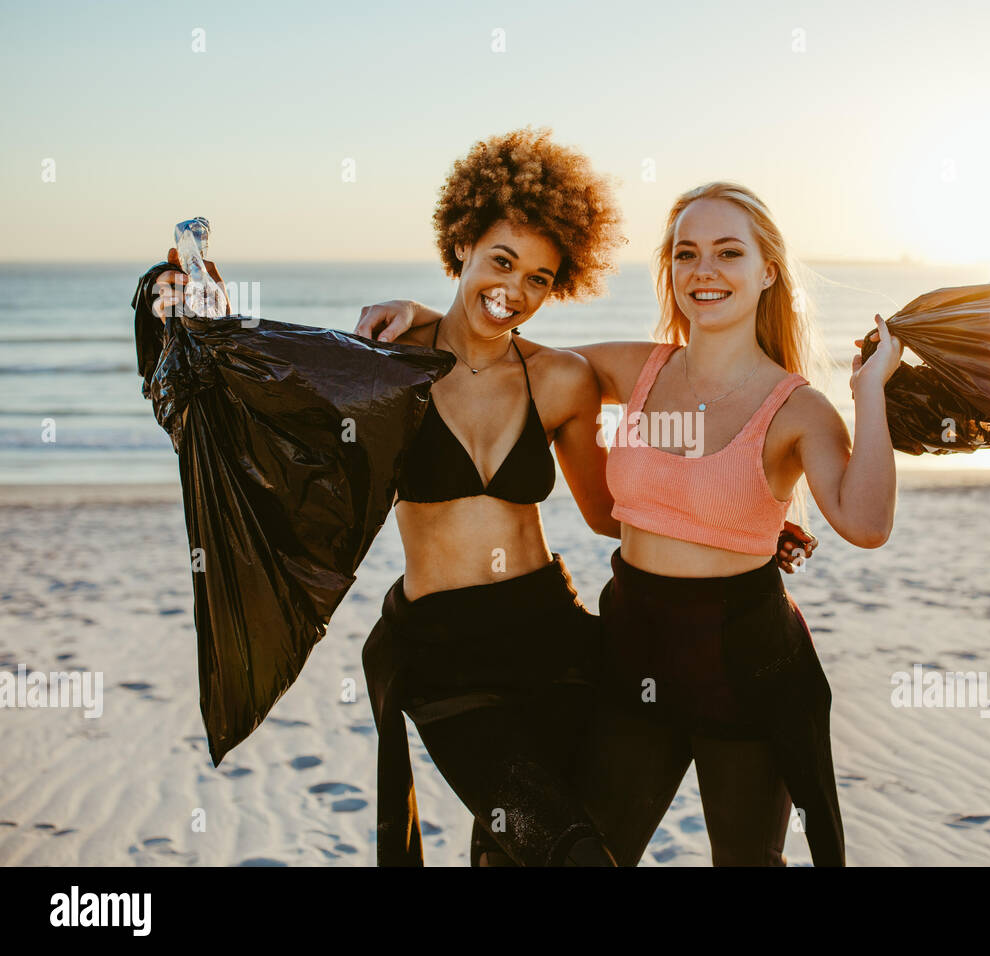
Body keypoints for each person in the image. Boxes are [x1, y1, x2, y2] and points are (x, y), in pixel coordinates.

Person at [356, 181, 901, 866]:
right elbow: (501, 354)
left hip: (745, 661)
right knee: (586, 850)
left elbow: (866, 520)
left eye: (728, 252)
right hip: (630, 657)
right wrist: (429, 315)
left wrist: (869, 394)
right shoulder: (637, 369)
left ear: (768, 271)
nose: (704, 271)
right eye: (686, 253)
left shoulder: (800, 410)